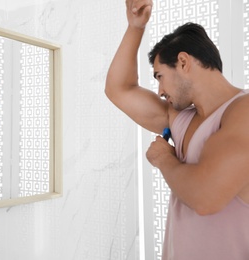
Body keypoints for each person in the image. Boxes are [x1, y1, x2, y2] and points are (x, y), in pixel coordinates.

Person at [105, 0, 249, 259]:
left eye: (159, 76)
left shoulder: (243, 110)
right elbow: (119, 89)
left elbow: (206, 198)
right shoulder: (180, 118)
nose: (159, 90)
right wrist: (135, 27)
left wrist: (164, 159)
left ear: (183, 62)